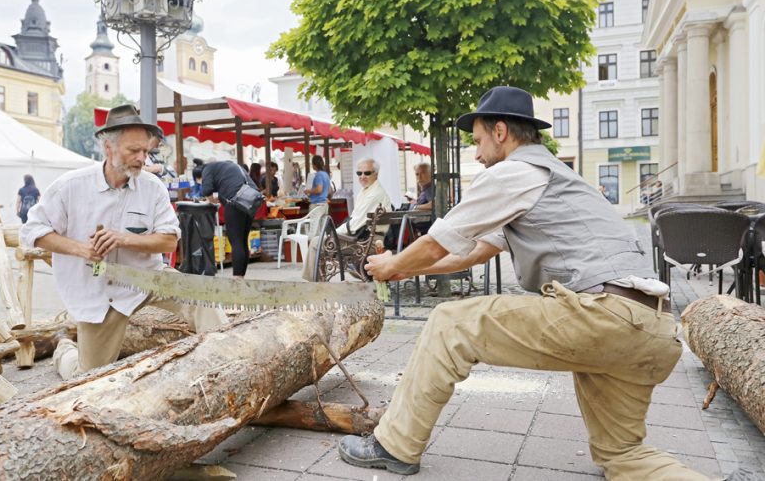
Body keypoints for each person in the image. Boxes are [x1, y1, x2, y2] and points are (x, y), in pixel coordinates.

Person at [337, 86, 716, 480]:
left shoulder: (515, 172)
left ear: (500, 132)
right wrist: (408, 270)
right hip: (651, 328)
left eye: (479, 141)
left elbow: (438, 242)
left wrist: (391, 264)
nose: (477, 154)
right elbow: (476, 252)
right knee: (622, 455)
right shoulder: (557, 177)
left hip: (605, 316)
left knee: (448, 323)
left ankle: (394, 446)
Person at [20, 104, 225, 380]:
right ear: (108, 147)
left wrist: (124, 239)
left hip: (147, 278)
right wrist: (82, 249)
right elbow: (32, 231)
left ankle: (226, 363)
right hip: (98, 291)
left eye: (145, 151)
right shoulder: (70, 186)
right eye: (133, 151)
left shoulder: (152, 187)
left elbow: (169, 242)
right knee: (88, 378)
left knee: (203, 297)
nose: (142, 158)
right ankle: (64, 351)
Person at [301, 158, 391, 280]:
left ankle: (315, 283)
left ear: (376, 174)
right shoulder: (368, 191)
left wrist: (333, 233)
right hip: (364, 239)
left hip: (365, 243)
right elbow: (354, 221)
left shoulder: (374, 194)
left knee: (316, 242)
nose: (362, 176)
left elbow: (354, 225)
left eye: (367, 173)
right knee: (319, 241)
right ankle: (317, 281)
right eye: (359, 173)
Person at [194, 158, 260, 277]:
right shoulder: (228, 166)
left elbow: (207, 190)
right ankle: (241, 277)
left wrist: (211, 200)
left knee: (236, 241)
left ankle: (236, 279)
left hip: (236, 202)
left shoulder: (207, 169)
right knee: (242, 241)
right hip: (250, 200)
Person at [303, 155, 331, 239]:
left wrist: (308, 191)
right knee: (322, 231)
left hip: (317, 205)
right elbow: (330, 190)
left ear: (315, 164)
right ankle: (322, 246)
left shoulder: (318, 175)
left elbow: (319, 189)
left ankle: (312, 246)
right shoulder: (326, 174)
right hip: (325, 205)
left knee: (313, 231)